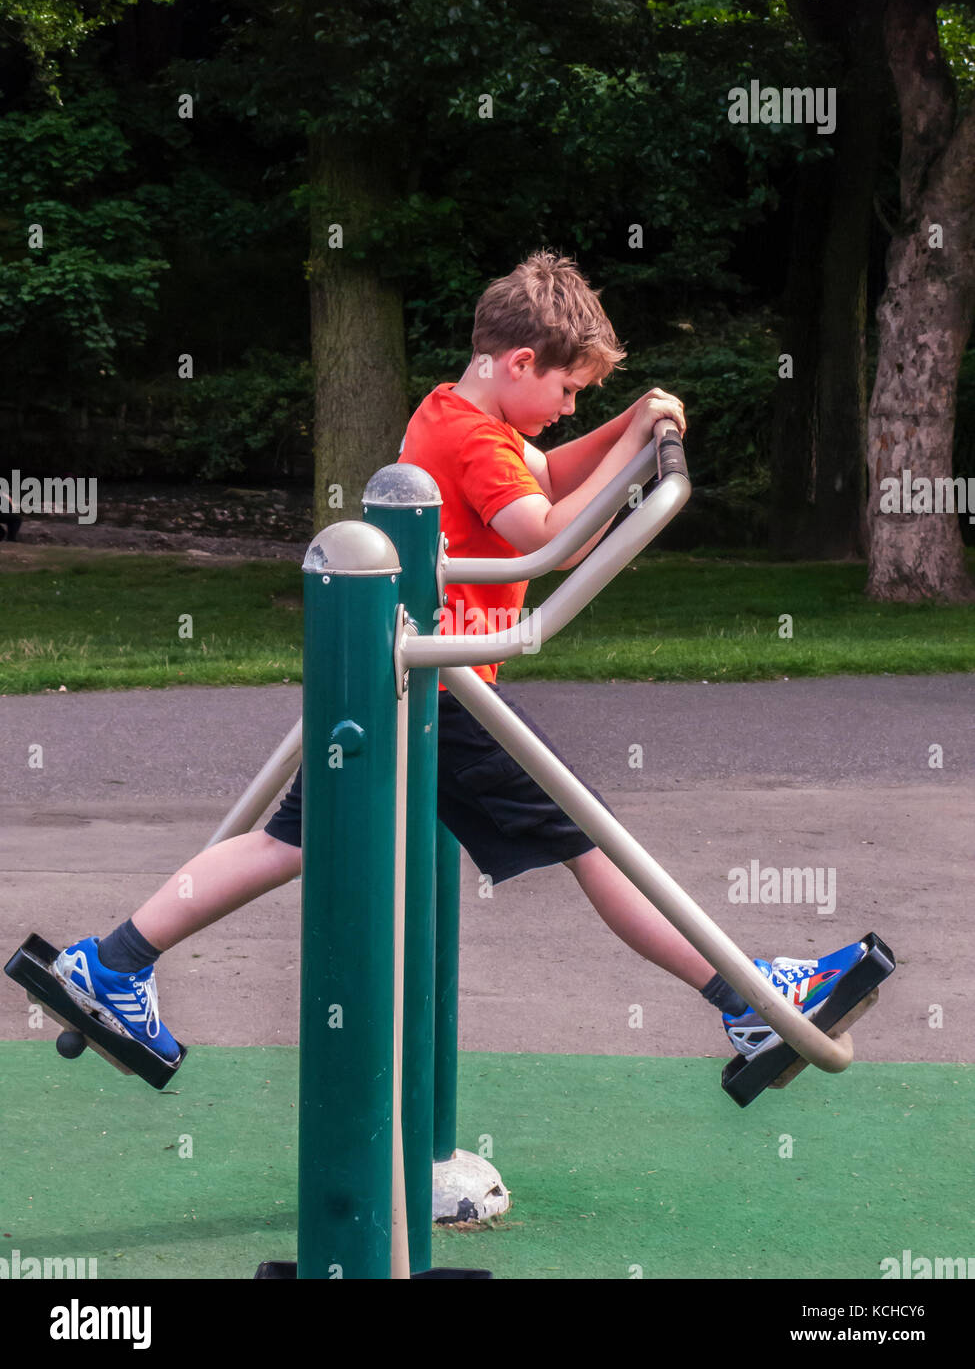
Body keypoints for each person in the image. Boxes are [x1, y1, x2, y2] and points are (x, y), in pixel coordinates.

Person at [53, 250, 866, 1065]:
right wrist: (633, 456)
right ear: (519, 362)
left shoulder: (460, 417)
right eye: (569, 389)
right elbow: (540, 536)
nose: (569, 405)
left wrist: (631, 425)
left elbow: (546, 473)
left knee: (291, 843)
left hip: (406, 680)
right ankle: (749, 1000)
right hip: (442, 686)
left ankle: (114, 961)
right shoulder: (475, 440)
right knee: (591, 838)